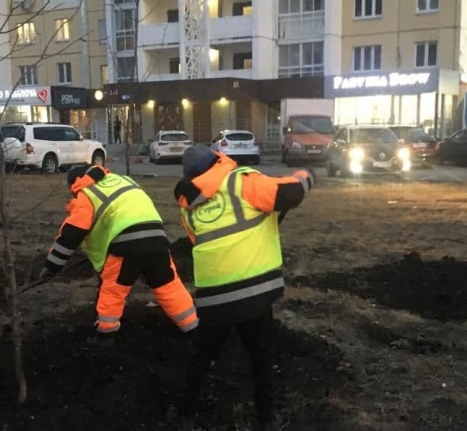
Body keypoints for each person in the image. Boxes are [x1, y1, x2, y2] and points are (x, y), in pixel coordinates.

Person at [170, 145, 314, 431]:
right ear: (218, 160)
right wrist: (307, 174)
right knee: (261, 356)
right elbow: (289, 193)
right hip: (253, 293)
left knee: (202, 356)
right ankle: (266, 419)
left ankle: (181, 414)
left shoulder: (189, 207)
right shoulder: (241, 181)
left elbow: (204, 241)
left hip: (214, 297)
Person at [40, 164, 199, 345]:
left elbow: (72, 233)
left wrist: (52, 266)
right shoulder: (124, 180)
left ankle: (105, 335)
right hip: (157, 237)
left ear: (75, 183)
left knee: (113, 290)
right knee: (168, 285)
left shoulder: (87, 193)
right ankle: (192, 327)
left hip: (126, 245)